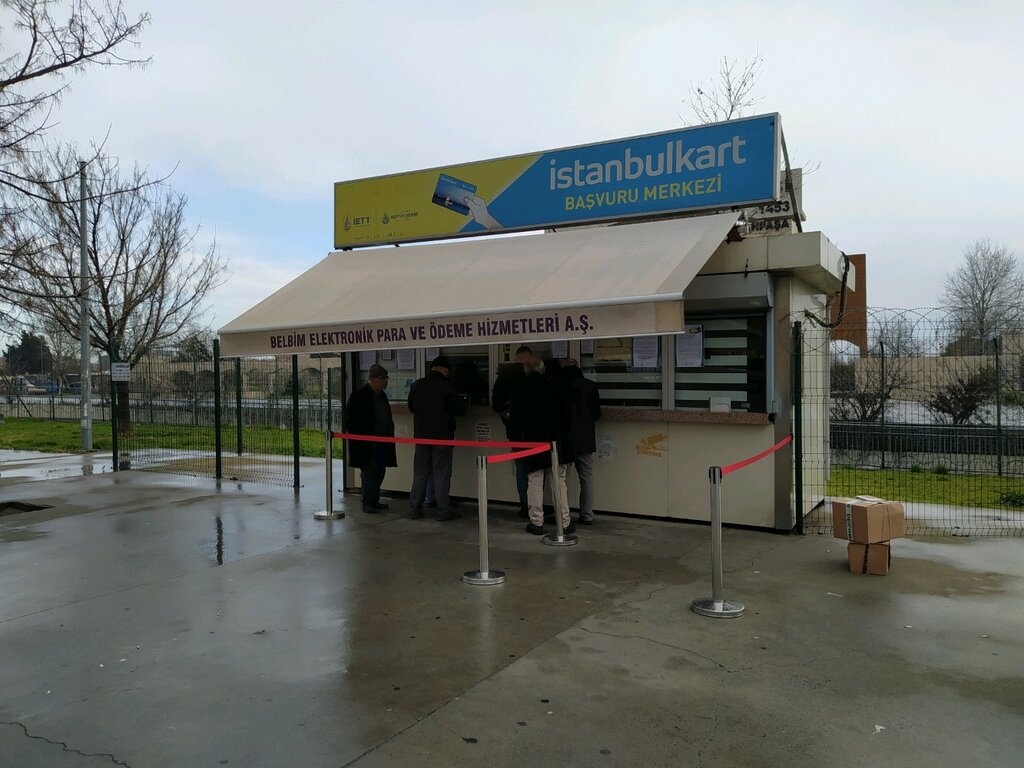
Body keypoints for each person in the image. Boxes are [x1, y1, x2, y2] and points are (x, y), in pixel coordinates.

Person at [508, 353, 574, 536]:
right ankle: (565, 522)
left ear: (527, 371)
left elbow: (515, 419)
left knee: (534, 481)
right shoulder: (555, 386)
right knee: (558, 482)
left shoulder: (521, 389)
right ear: (543, 370)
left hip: (532, 442)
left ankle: (536, 522)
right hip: (555, 442)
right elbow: (566, 415)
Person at [408, 355, 468, 521]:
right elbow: (460, 409)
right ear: (445, 370)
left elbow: (411, 407)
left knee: (420, 474)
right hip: (442, 436)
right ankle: (443, 510)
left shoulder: (417, 385)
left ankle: (415, 508)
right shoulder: (448, 386)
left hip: (421, 436)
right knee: (441, 474)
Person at [344, 364, 396, 513]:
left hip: (383, 442)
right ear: (373, 379)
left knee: (380, 472)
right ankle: (368, 502)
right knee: (369, 473)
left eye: (386, 378)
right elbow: (350, 421)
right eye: (383, 378)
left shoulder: (382, 396)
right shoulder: (359, 396)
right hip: (367, 444)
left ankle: (374, 499)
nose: (386, 381)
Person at [559, 359, 601, 524]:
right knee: (586, 477)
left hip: (565, 439)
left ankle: (563, 515)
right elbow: (597, 414)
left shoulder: (560, 387)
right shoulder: (590, 386)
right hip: (585, 438)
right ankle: (587, 514)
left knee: (562, 479)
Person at [492, 345, 532, 517]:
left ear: (515, 358)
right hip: (535, 431)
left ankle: (525, 505)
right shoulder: (534, 375)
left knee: (521, 470)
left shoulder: (504, 376)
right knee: (536, 471)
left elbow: (496, 405)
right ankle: (537, 507)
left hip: (514, 430)